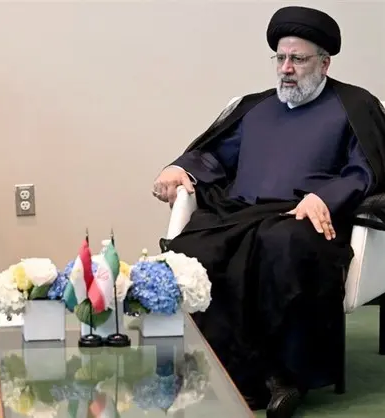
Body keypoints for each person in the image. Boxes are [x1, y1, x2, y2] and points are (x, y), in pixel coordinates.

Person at [153, 6, 385, 418]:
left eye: (298, 59)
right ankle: (211, 369)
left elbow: (364, 169)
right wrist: (180, 168)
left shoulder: (354, 105)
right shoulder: (256, 107)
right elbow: (214, 156)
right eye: (280, 58)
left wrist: (325, 197)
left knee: (281, 241)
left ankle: (284, 376)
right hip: (241, 214)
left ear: (324, 63)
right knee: (195, 247)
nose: (286, 69)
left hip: (306, 219)